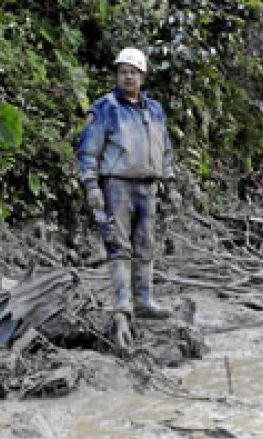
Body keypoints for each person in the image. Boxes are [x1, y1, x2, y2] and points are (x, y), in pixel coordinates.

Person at [77, 46, 180, 341]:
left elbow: (166, 149)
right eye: (123, 71)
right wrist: (92, 186)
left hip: (148, 186)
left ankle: (144, 300)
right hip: (117, 185)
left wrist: (170, 183)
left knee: (145, 244)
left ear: (143, 77)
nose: (128, 77)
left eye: (133, 72)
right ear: (116, 75)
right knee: (118, 245)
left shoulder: (155, 109)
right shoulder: (105, 108)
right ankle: (123, 304)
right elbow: (87, 151)